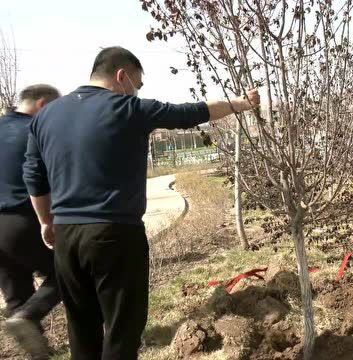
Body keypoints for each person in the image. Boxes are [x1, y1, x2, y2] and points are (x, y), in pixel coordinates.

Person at [22, 47, 260, 359]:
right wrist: (241, 103)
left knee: (81, 329)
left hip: (67, 236)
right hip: (115, 234)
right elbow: (192, 112)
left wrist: (45, 221)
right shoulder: (128, 108)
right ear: (121, 76)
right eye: (138, 83)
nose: (137, 91)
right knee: (123, 329)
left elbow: (33, 177)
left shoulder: (46, 116)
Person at [0, 84, 61, 358]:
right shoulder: (36, 131)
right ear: (44, 105)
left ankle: (38, 353)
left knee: (16, 294)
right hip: (21, 219)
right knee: (71, 270)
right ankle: (28, 315)